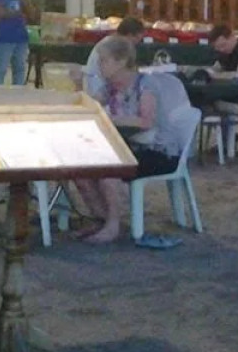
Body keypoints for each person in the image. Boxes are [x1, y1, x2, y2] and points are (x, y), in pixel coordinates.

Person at [73, 34, 182, 244]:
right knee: (81, 169)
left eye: (103, 60)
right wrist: (78, 85)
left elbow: (146, 122)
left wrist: (111, 119)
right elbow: (90, 108)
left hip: (156, 149)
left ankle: (113, 225)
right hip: (127, 145)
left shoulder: (145, 84)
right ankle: (101, 218)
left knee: (109, 168)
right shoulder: (111, 86)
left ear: (121, 61)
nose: (99, 66)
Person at [85, 16, 145, 101]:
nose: (138, 42)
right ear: (129, 35)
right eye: (137, 38)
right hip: (98, 91)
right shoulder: (114, 47)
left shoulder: (112, 43)